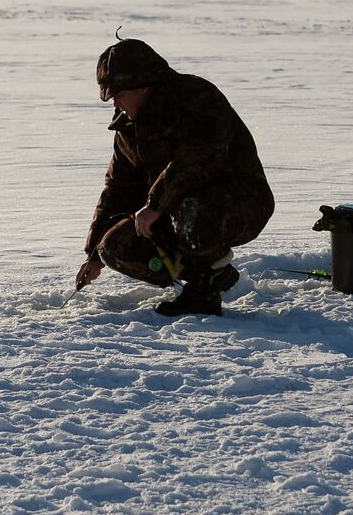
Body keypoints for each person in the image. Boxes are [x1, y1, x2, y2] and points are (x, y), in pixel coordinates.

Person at [75, 39, 274, 317]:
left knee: (190, 207)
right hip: (171, 210)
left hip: (240, 202)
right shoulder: (127, 129)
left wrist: (154, 205)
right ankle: (200, 274)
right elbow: (118, 188)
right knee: (113, 247)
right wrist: (93, 256)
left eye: (119, 94)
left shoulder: (196, 97)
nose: (115, 103)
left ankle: (206, 286)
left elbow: (198, 160)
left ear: (143, 85)